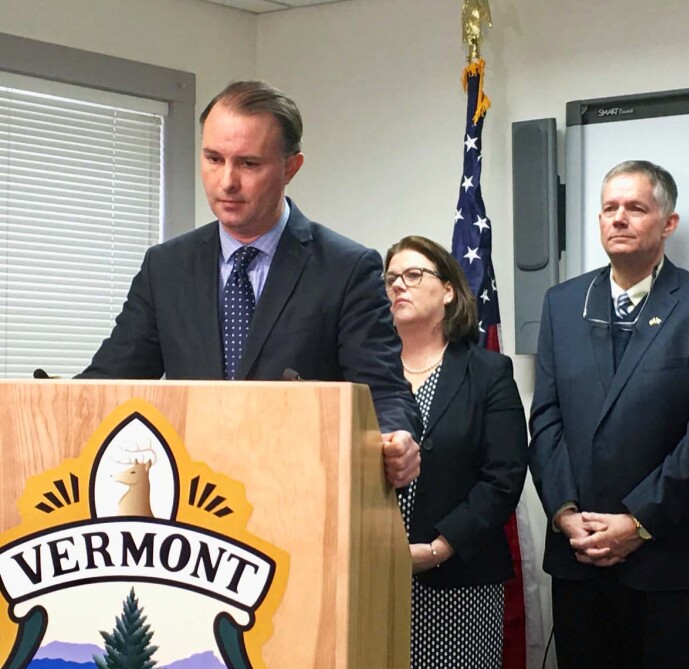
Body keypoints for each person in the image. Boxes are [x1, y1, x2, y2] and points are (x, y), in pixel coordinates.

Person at [79, 80, 420, 488]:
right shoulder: (166, 268)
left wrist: (396, 439)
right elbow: (108, 383)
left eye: (248, 164)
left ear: (290, 168)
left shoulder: (345, 269)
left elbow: (382, 394)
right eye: (213, 158)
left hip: (300, 493)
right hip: (192, 505)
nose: (226, 181)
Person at [529, 160, 689, 669]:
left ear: (668, 223)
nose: (619, 218)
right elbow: (547, 419)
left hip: (672, 558)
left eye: (635, 208)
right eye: (609, 208)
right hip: (582, 554)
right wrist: (564, 514)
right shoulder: (562, 303)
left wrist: (638, 520)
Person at [384, 235, 527, 669]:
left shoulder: (487, 372)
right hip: (372, 578)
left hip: (458, 578)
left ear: (448, 291)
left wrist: (438, 549)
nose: (398, 286)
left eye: (413, 275)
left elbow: (503, 476)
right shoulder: (365, 371)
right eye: (390, 279)